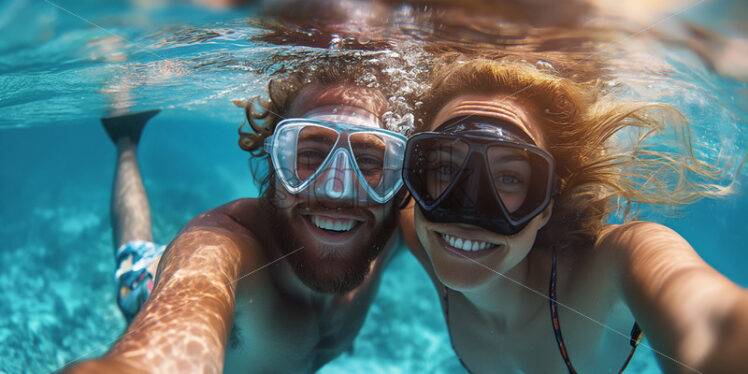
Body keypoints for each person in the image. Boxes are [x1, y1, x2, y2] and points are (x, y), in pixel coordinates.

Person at [400, 57, 748, 373]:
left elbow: (713, 323)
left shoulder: (618, 261)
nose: (467, 210)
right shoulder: (414, 227)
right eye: (445, 167)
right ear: (414, 176)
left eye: (508, 178)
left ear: (547, 203)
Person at [65, 60, 410, 373]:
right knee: (132, 251)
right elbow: (170, 337)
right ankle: (126, 138)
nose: (337, 191)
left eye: (368, 161)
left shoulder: (390, 227)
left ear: (398, 176)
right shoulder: (221, 244)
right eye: (309, 155)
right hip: (150, 281)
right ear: (273, 162)